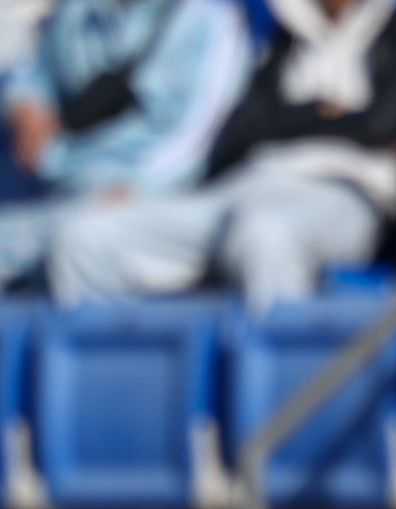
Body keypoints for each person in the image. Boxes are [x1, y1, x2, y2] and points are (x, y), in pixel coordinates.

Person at [46, 0, 396, 307]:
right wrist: (328, 113)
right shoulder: (283, 39)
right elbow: (244, 127)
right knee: (85, 237)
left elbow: (384, 125)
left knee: (264, 234)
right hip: (246, 187)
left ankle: (283, 399)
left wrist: (289, 119)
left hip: (344, 194)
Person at [0, 0, 250, 291]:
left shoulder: (209, 18)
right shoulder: (76, 12)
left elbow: (187, 152)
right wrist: (25, 101)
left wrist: (63, 165)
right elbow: (35, 73)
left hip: (172, 201)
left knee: (81, 241)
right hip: (73, 196)